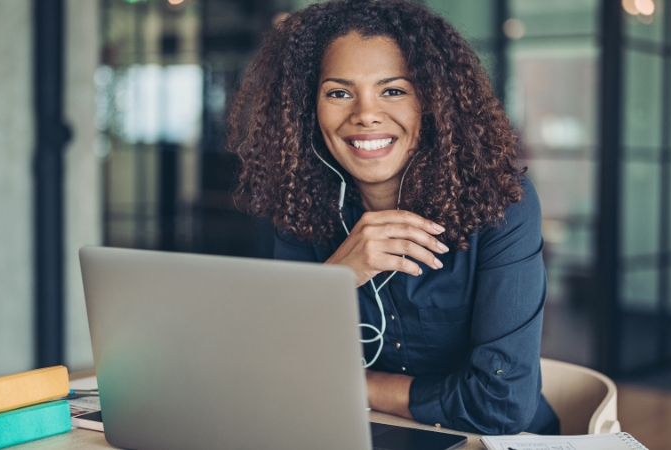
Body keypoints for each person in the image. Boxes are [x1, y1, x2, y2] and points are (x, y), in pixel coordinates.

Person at [228, 0, 560, 436]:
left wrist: (356, 385)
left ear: (432, 102)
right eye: (339, 93)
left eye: (393, 90)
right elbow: (273, 366)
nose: (365, 114)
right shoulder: (302, 205)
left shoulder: (502, 204)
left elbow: (502, 404)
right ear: (309, 108)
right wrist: (337, 278)